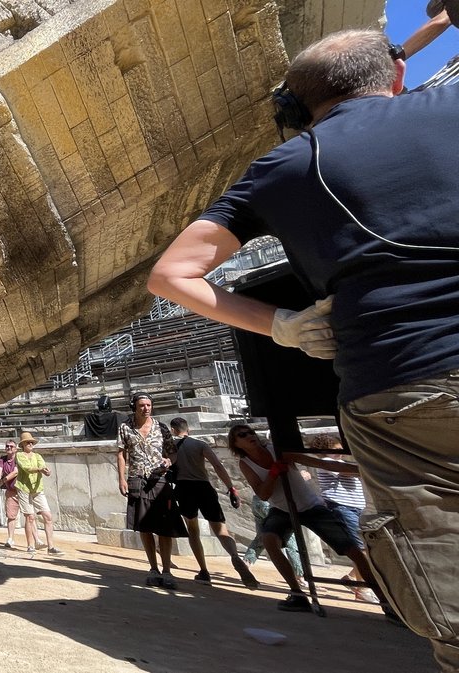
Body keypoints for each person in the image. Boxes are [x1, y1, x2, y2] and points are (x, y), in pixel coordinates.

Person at [147, 29, 458, 667]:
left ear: (293, 108)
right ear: (395, 78)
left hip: (399, 383)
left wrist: (282, 325)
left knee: (446, 575)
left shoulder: (287, 164)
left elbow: (170, 275)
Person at [226, 425, 392, 616]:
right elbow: (263, 494)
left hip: (310, 506)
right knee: (269, 540)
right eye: (242, 435)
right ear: (236, 443)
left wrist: (366, 470)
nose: (249, 436)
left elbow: (324, 464)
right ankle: (297, 594)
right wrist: (273, 473)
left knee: (353, 550)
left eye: (251, 432)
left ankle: (385, 602)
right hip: (282, 509)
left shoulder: (278, 450)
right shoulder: (245, 464)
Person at [169, 417, 258, 589]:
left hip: (184, 487)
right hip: (203, 486)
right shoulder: (199, 444)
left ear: (173, 430)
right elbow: (217, 465)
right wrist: (231, 488)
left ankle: (203, 570)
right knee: (220, 529)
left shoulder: (172, 447)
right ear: (189, 429)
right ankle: (234, 556)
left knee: (193, 530)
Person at [299, 434, 380, 604]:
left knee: (364, 548)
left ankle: (351, 578)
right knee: (360, 549)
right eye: (337, 449)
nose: (341, 452)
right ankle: (362, 588)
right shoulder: (328, 463)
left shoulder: (337, 462)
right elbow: (348, 471)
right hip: (342, 508)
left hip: (355, 508)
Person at [116, 393, 185, 589]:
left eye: (148, 405)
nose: (146, 408)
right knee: (144, 526)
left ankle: (167, 571)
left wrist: (169, 460)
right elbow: (121, 454)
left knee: (165, 526)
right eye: (142, 405)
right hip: (137, 477)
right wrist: (121, 478)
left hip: (160, 478)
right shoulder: (125, 427)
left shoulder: (161, 427)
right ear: (134, 407)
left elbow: (172, 451)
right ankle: (153, 568)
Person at [243, 494, 308, 590]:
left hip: (257, 501)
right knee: (290, 539)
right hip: (272, 504)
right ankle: (299, 576)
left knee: (261, 538)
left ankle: (246, 563)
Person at [14, 431, 61, 555]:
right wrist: (40, 470)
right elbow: (27, 468)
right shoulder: (19, 455)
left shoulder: (37, 456)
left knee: (48, 516)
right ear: (23, 444)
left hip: (37, 489)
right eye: (27, 442)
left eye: (31, 442)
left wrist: (46, 471)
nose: (30, 444)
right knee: (30, 517)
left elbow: (42, 466)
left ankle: (51, 547)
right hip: (24, 488)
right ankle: (30, 545)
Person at [0, 440, 20, 548]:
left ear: (16, 448)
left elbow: (15, 472)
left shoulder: (19, 457)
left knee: (29, 515)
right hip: (11, 490)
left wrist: (3, 481)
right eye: (7, 446)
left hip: (22, 490)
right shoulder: (2, 459)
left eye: (11, 446)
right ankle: (10, 538)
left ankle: (33, 541)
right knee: (10, 516)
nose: (9, 448)